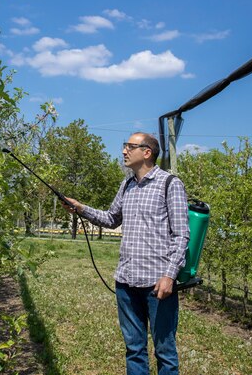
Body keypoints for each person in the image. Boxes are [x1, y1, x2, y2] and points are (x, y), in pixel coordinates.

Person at [62, 132, 190, 375]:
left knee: (165, 350)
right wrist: (80, 208)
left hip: (157, 284)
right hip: (126, 282)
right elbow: (111, 219)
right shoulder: (127, 185)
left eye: (129, 146)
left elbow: (181, 235)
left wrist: (169, 276)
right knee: (134, 349)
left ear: (147, 152)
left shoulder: (170, 184)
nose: (124, 151)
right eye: (124, 146)